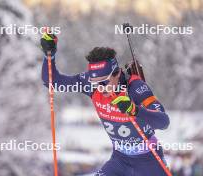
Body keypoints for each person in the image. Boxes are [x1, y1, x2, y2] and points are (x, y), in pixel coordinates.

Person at [41, 32, 170, 176]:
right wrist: (49, 55)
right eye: (95, 83)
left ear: (117, 73)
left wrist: (135, 110)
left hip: (149, 161)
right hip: (120, 160)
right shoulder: (90, 84)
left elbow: (164, 122)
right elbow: (52, 82)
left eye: (104, 83)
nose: (100, 88)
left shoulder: (135, 88)